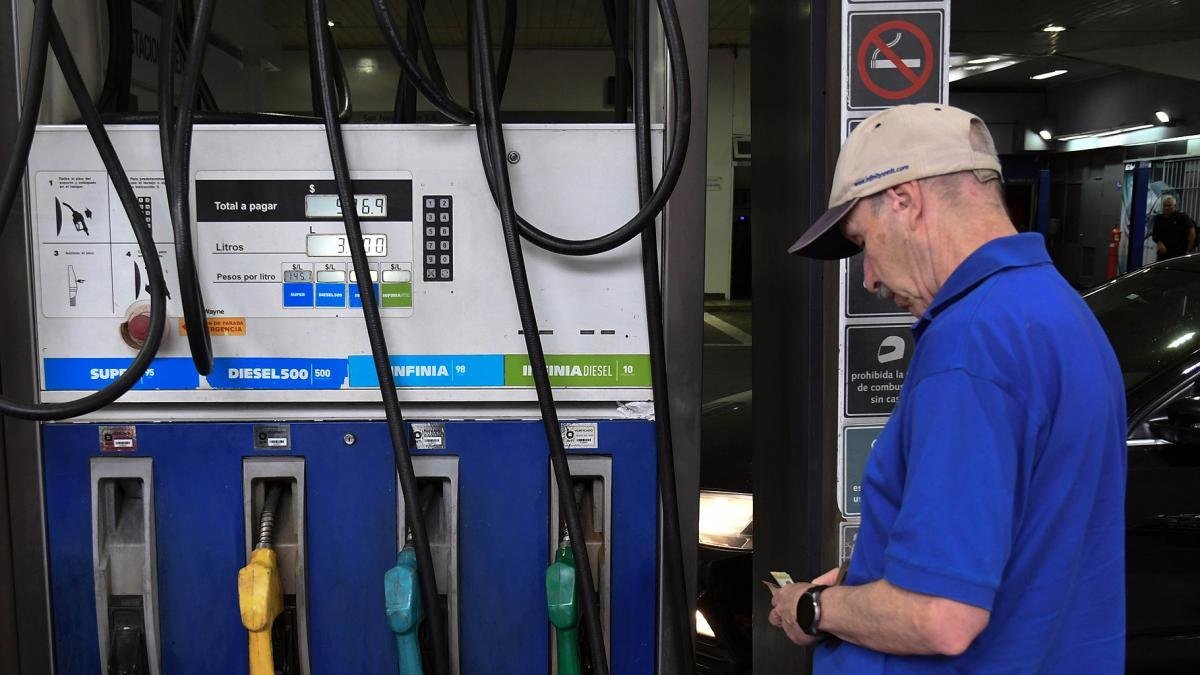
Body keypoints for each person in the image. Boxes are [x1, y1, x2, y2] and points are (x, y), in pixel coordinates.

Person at [771, 103, 1126, 673]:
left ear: (905, 201)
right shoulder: (1059, 311)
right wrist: (868, 584)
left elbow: (939, 615)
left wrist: (814, 607)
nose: (869, 278)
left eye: (863, 241)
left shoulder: (969, 345)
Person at [1152, 194, 1196, 259]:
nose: (1166, 208)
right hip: (1163, 254)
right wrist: (1159, 243)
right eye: (1165, 206)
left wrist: (1189, 249)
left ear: (1175, 206)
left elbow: (1192, 233)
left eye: (1169, 205)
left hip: (1179, 253)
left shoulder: (1182, 217)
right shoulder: (1159, 218)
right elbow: (1155, 235)